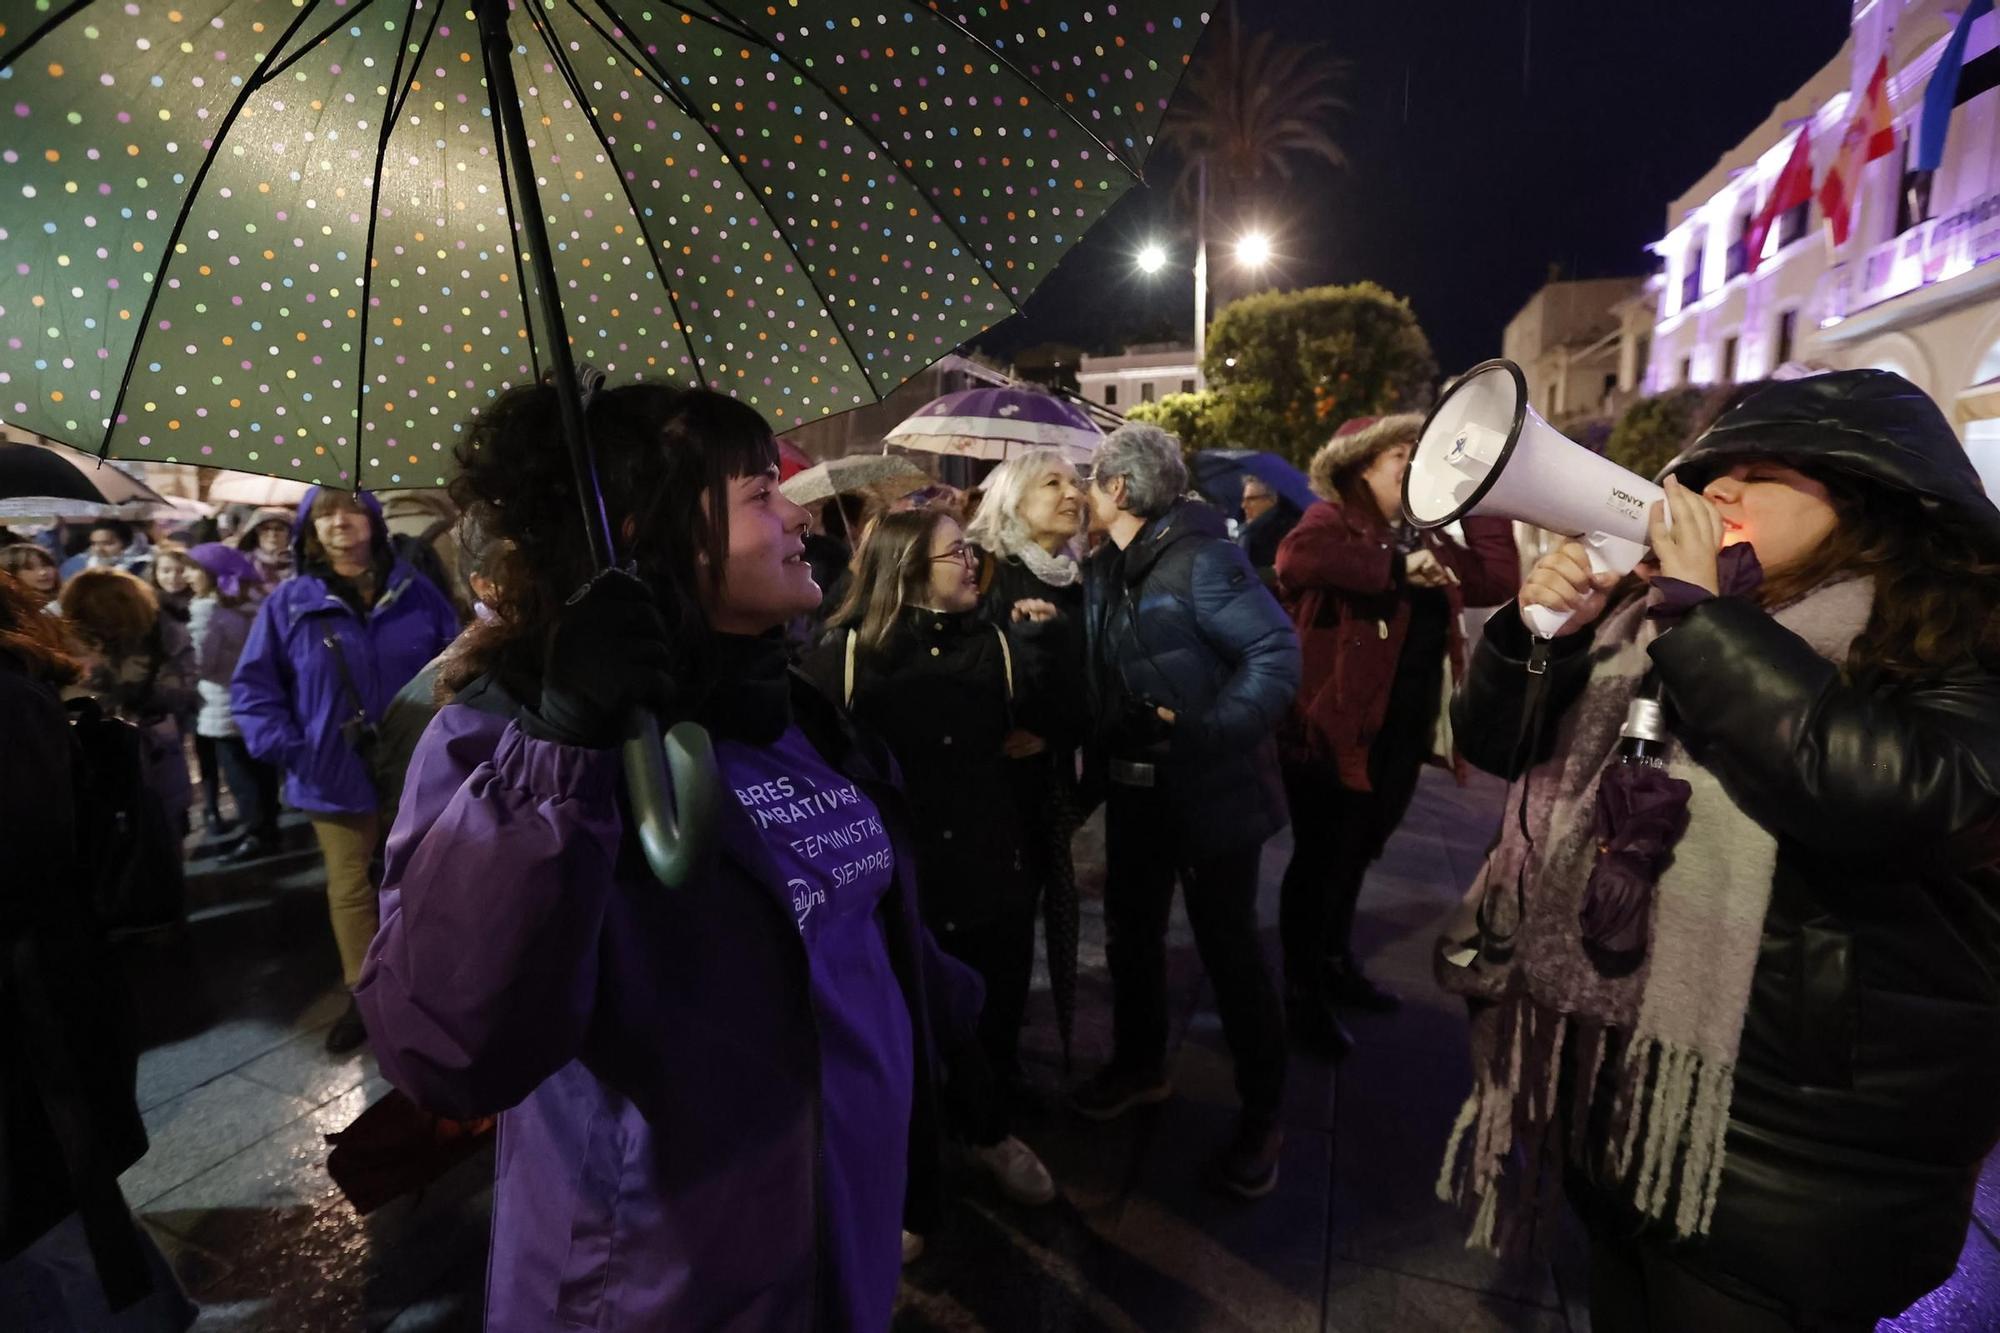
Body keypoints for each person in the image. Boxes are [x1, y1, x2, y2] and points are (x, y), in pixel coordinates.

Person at [354, 381, 981, 1330]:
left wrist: (932, 1007)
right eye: (760, 494)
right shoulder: (504, 739)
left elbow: (840, 917)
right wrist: (564, 753)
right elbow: (447, 1046)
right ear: (646, 535)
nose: (798, 519)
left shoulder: (796, 706)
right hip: (657, 1279)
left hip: (837, 1241)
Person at [1436, 371, 2000, 1331]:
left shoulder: (1949, 639)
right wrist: (1544, 635)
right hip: (1623, 1111)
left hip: (1800, 1159)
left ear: (1867, 496)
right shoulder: (1656, 617)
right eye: (1713, 470)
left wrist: (1705, 625)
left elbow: (1908, 795)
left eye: (1761, 471)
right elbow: (1495, 742)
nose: (1717, 492)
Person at [805, 508, 1061, 1212]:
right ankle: (913, 1173)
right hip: (898, 878)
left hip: (992, 865)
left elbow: (1062, 719)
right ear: (909, 569)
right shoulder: (844, 654)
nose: (973, 562)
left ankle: (991, 1130)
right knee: (908, 1025)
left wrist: (1046, 647)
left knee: (996, 1010)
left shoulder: (1001, 645)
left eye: (970, 550)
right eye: (957, 554)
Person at [1071, 422, 1302, 1199]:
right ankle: (1140, 1067)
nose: (1084, 495)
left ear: (1120, 489)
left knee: (1229, 950)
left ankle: (1263, 1112)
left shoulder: (1203, 557)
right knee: (1132, 934)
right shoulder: (1109, 565)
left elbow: (1276, 655)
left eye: (1092, 481)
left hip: (1212, 790)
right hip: (1139, 789)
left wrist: (1205, 731)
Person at [1272, 415, 1519, 1052]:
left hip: (1397, 733)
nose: (1415, 467)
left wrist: (1482, 490)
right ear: (1360, 466)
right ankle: (1300, 992)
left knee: (1356, 854)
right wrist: (1394, 565)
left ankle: (1332, 963)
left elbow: (1496, 579)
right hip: (1335, 731)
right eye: (1400, 457)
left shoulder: (1423, 536)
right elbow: (1296, 558)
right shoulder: (1333, 521)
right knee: (1321, 860)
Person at [0, 571, 197, 1332]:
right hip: (40, 1023)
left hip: (33, 1027)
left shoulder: (11, 700)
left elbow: (27, 866)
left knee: (53, 1228)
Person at [230, 487, 458, 1054]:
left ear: (373, 523)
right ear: (311, 531)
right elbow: (254, 690)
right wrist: (294, 749)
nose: (338, 523)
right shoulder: (289, 603)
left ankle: (430, 980)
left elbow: (458, 662)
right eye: (325, 514)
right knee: (353, 885)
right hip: (332, 770)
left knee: (423, 876)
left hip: (416, 764)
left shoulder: (416, 591)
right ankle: (366, 992)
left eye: (350, 510)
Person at [963, 449, 1093, 1062]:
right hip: (986, 784)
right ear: (1014, 501)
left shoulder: (1077, 578)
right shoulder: (982, 569)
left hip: (1044, 782)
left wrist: (1056, 732)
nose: (1073, 493)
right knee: (990, 925)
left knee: (1025, 921)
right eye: (1053, 482)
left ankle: (1004, 1058)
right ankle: (978, 1065)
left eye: (1076, 482)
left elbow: (1093, 682)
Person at [58, 567, 199, 839]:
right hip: (96, 757)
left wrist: (137, 691)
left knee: (164, 827)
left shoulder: (160, 633)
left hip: (155, 742)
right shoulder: (65, 645)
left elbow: (181, 687)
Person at [185, 543, 282, 863]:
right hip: (259, 700)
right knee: (263, 773)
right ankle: (268, 828)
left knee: (241, 778)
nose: (187, 576)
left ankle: (256, 835)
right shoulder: (254, 601)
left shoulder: (205, 610)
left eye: (192, 569)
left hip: (222, 706)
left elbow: (201, 664)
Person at [1236, 475, 1301, 584]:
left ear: (1271, 500)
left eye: (1251, 499)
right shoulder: (1245, 532)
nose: (1244, 505)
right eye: (1243, 499)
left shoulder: (1289, 533)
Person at [60, 519, 151, 582]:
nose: (99, 549)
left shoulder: (141, 568)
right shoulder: (77, 566)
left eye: (107, 544)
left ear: (126, 545)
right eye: (94, 544)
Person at [235, 506, 296, 590]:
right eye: (266, 528)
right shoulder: (244, 563)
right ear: (256, 532)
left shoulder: (298, 565)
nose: (272, 534)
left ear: (289, 533)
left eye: (279, 529)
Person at [0, 541, 61, 611]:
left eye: (46, 565)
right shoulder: (11, 613)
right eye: (29, 568)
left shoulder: (66, 602)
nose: (43, 572)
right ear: (10, 573)